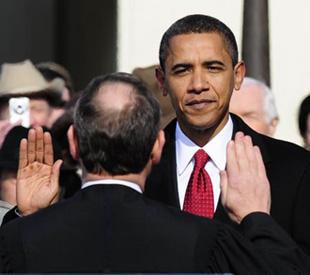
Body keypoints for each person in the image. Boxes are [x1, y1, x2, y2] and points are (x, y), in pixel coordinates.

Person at [0, 73, 308, 273]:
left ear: (74, 144)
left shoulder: (20, 238)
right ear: (158, 146)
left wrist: (26, 219)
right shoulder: (203, 238)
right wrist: (256, 216)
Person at [144, 14, 310, 256]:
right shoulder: (139, 164)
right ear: (162, 81)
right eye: (182, 70)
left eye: (213, 68)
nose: (198, 84)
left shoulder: (296, 169)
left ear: (238, 75)